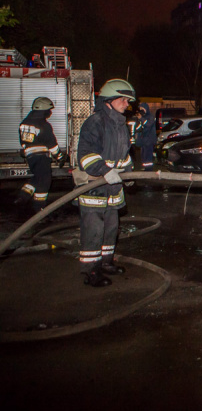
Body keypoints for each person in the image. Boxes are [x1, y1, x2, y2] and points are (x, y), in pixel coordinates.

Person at [75, 79, 136, 287]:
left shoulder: (120, 124)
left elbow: (124, 156)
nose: (127, 104)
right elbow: (85, 156)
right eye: (124, 99)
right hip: (95, 187)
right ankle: (91, 272)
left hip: (113, 188)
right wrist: (105, 171)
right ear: (110, 99)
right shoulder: (95, 122)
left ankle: (106, 262)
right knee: (93, 231)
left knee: (111, 227)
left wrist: (129, 174)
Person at [16, 97, 65, 214]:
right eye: (49, 110)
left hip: (31, 156)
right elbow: (51, 143)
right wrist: (60, 157)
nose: (50, 112)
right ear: (43, 110)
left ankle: (23, 195)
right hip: (42, 156)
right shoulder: (44, 125)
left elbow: (23, 140)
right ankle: (39, 208)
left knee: (38, 177)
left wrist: (25, 149)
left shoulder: (24, 123)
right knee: (44, 181)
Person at [133, 102, 156, 171]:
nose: (141, 110)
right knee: (143, 156)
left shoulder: (150, 117)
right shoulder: (142, 118)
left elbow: (148, 124)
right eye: (140, 109)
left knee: (148, 156)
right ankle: (145, 168)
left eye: (142, 109)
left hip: (149, 140)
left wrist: (141, 119)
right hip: (143, 140)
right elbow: (139, 128)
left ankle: (149, 169)